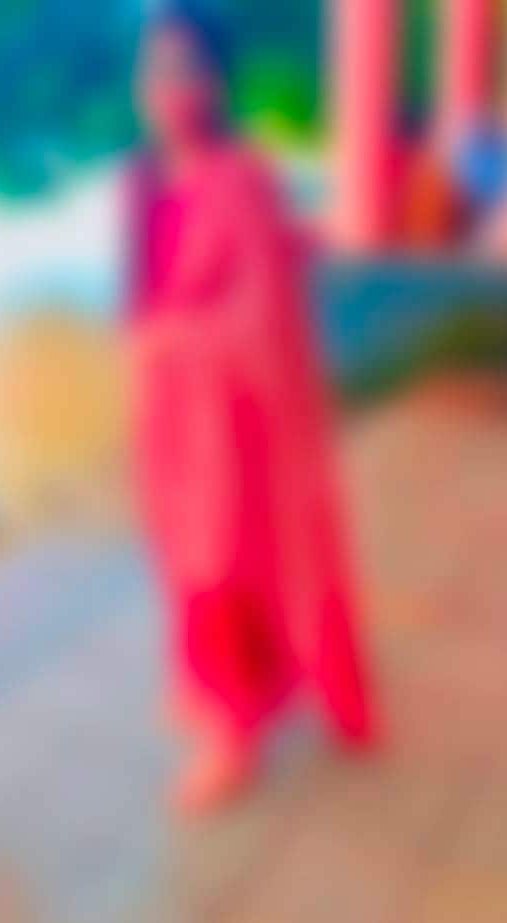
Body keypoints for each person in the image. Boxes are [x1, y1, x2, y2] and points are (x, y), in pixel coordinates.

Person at [125, 3, 375, 815]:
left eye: (184, 69)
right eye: (154, 70)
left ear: (214, 83)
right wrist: (150, 359)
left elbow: (260, 315)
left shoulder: (242, 178)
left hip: (231, 418)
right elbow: (146, 298)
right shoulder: (142, 180)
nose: (167, 88)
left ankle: (236, 740)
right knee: (183, 563)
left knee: (220, 568)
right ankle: (217, 698)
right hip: (171, 411)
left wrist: (174, 341)